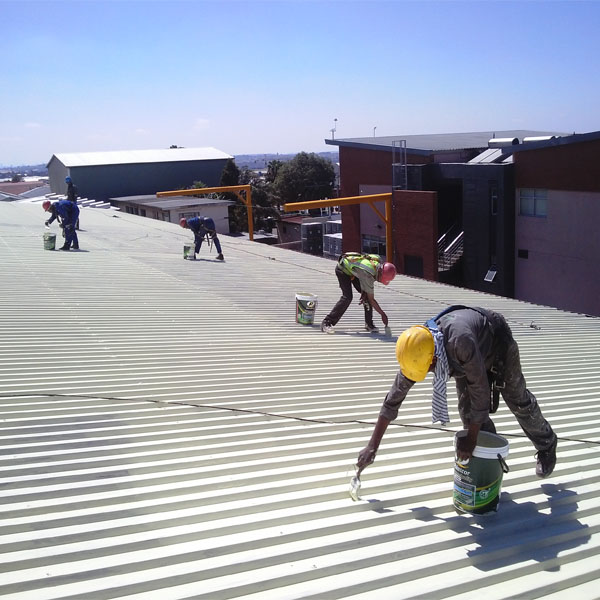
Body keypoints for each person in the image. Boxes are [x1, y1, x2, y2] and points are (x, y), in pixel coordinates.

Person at [356, 305, 558, 479]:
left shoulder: (459, 343)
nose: (427, 373)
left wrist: (471, 439)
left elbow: (480, 391)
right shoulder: (417, 348)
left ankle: (547, 446)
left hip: (497, 342)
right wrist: (372, 446)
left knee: (518, 400)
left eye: (428, 369)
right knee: (468, 413)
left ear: (434, 359)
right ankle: (486, 460)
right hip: (465, 355)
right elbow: (393, 399)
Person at [320, 252, 396, 334]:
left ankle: (369, 324)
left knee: (366, 297)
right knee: (347, 297)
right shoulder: (368, 274)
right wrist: (382, 314)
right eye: (381, 280)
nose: (379, 281)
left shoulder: (378, 262)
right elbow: (372, 300)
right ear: (380, 274)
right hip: (343, 269)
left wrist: (364, 290)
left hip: (356, 271)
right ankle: (327, 322)